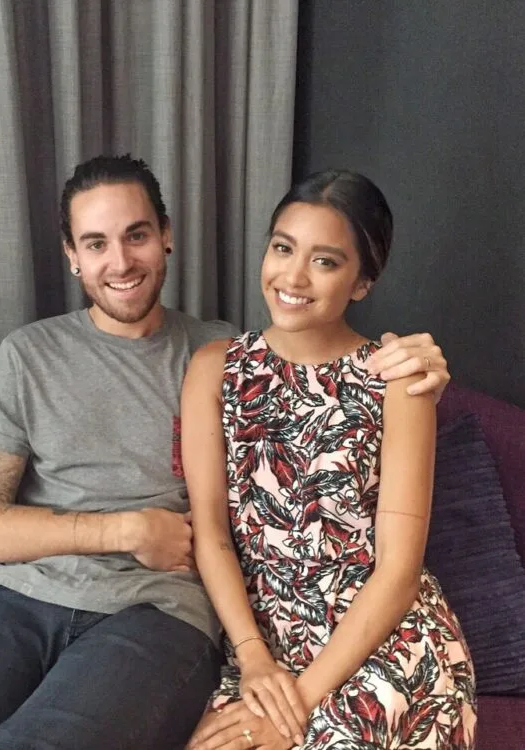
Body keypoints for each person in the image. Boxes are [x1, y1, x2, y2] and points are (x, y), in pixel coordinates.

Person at [0, 156, 453, 750]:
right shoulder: (37, 355)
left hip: (164, 611)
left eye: (137, 235)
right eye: (96, 243)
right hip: (31, 600)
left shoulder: (214, 350)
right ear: (71, 254)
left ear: (166, 235)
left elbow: (316, 362)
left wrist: (416, 365)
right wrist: (127, 530)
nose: (120, 262)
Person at [181, 170, 476, 750]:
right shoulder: (214, 368)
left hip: (382, 639)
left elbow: (398, 571)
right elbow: (211, 533)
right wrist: (253, 658)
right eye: (282, 248)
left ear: (362, 282)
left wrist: (296, 705)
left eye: (325, 261)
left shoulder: (399, 379)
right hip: (264, 642)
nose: (293, 277)